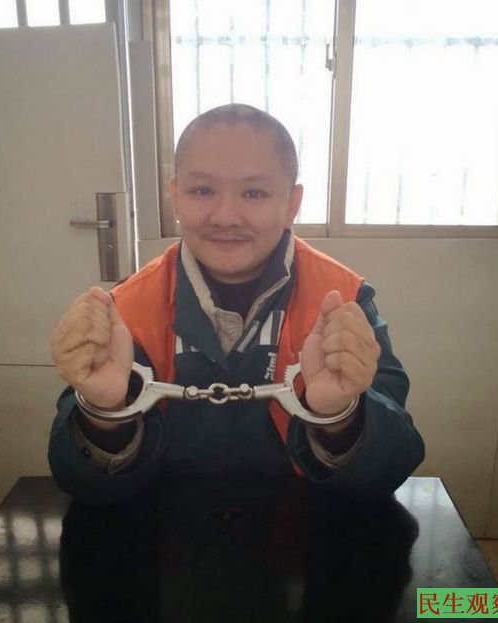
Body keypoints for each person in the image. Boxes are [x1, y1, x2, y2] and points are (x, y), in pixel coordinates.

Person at [49, 103, 424, 505]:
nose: (225, 216)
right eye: (202, 191)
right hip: (162, 530)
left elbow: (390, 467)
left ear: (292, 204)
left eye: (253, 193)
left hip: (307, 529)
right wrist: (103, 412)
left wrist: (340, 417)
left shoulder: (343, 301)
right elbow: (82, 484)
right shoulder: (125, 310)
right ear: (175, 197)